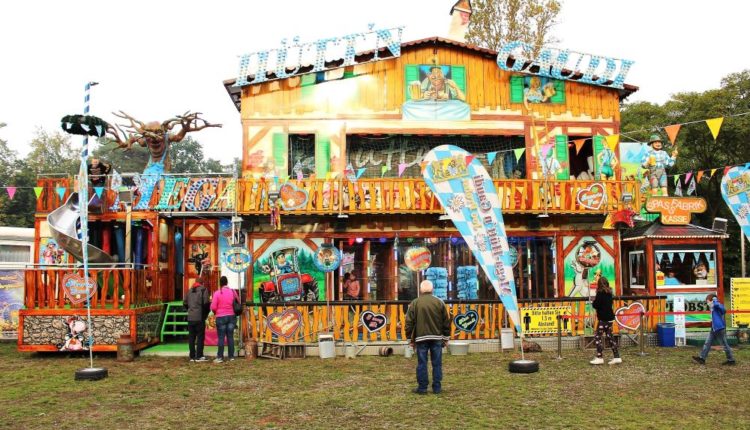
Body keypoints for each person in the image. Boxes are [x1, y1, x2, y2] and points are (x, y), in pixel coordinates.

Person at [405, 280, 451, 394]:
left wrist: (410, 339)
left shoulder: (415, 303)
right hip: (436, 337)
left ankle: (422, 388)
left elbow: (409, 322)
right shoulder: (439, 302)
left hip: (420, 338)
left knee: (422, 363)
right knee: (437, 363)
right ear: (432, 289)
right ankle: (437, 387)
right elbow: (446, 322)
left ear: (421, 290)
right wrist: (446, 338)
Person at [693, 294, 736, 365]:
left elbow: (724, 310)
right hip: (714, 328)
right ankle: (702, 358)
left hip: (719, 328)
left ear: (712, 300)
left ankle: (731, 360)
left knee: (724, 345)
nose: (707, 303)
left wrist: (715, 300)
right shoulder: (713, 307)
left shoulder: (717, 305)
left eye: (708, 301)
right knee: (707, 343)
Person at [590, 277, 621, 365]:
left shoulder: (600, 293)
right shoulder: (609, 292)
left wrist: (593, 302)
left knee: (597, 337)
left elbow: (596, 305)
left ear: (599, 284)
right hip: (610, 318)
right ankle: (617, 356)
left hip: (603, 319)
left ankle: (600, 357)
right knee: (610, 337)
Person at [211, 276, 239, 363]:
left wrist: (215, 312)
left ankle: (220, 357)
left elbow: (213, 307)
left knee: (221, 338)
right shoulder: (233, 291)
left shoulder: (217, 293)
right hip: (231, 316)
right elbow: (238, 302)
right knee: (230, 337)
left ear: (220, 283)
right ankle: (231, 356)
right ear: (227, 282)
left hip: (220, 317)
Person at [183, 278, 209, 363]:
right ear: (202, 283)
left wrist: (190, 310)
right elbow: (206, 304)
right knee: (200, 337)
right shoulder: (204, 290)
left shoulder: (189, 290)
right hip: (199, 317)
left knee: (191, 338)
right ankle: (199, 356)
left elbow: (185, 303)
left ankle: (192, 356)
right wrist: (205, 315)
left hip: (190, 317)